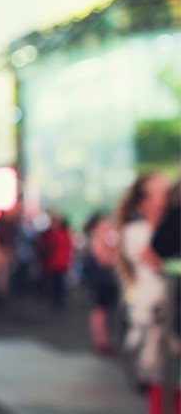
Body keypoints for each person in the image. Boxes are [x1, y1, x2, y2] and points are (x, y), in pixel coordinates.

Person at [113, 172, 174, 412]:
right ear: (144, 204)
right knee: (161, 386)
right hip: (155, 321)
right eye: (163, 193)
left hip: (168, 320)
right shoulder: (136, 233)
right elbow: (158, 263)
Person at [81, 212, 120, 355]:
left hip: (101, 282)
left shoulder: (100, 240)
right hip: (99, 282)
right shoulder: (98, 241)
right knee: (99, 312)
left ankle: (103, 341)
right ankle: (101, 342)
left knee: (102, 312)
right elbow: (104, 260)